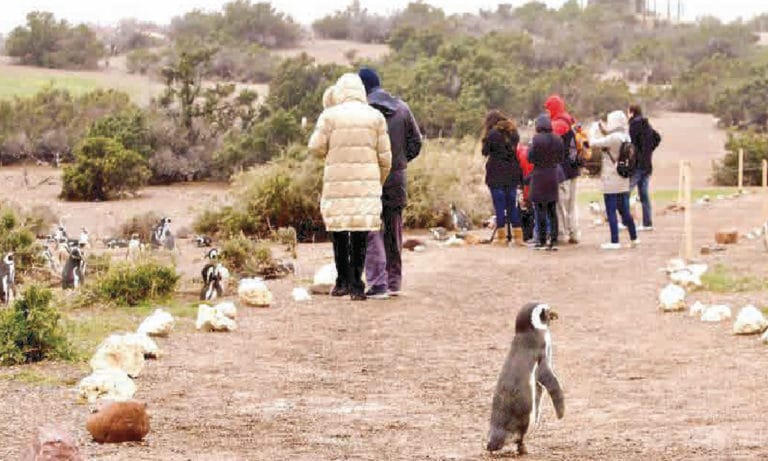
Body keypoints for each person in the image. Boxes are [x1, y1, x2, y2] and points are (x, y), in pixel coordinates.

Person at [308, 74, 392, 301]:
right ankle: (357, 285)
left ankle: (341, 282)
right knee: (360, 235)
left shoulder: (330, 116)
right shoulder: (375, 117)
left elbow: (315, 147)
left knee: (339, 232)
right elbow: (385, 158)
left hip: (336, 183)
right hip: (367, 184)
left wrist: (331, 153)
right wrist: (378, 181)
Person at [358, 67, 423, 300]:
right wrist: (401, 161)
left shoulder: (361, 112)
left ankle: (377, 282)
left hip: (369, 176)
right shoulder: (402, 108)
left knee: (370, 228)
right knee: (394, 229)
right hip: (396, 176)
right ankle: (394, 282)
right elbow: (416, 142)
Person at [589, 110, 639, 250]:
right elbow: (609, 137)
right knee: (624, 210)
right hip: (623, 178)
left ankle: (614, 241)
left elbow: (593, 143)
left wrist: (593, 129)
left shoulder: (613, 138)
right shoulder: (626, 137)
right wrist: (602, 129)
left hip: (611, 178)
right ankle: (634, 237)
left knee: (610, 210)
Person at [481, 110, 524, 246]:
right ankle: (518, 238)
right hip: (512, 172)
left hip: (496, 173)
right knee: (512, 205)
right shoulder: (513, 132)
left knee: (499, 205)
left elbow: (485, 151)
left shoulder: (492, 134)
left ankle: (502, 237)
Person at [545, 95, 581, 244]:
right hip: (573, 168)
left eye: (548, 108)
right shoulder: (569, 120)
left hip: (562, 171)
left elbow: (549, 144)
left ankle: (560, 234)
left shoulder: (557, 124)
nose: (547, 112)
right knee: (572, 204)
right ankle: (574, 233)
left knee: (560, 204)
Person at [528, 114, 564, 251]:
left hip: (538, 176)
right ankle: (553, 240)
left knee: (540, 209)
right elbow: (561, 157)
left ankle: (541, 240)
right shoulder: (557, 139)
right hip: (553, 175)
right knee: (552, 210)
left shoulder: (536, 139)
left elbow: (530, 157)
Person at [628, 104, 658, 231]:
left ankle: (626, 221)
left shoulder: (634, 125)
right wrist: (648, 151)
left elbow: (631, 143)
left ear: (632, 112)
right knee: (644, 195)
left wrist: (636, 153)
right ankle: (647, 223)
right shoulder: (647, 125)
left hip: (637, 164)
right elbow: (657, 138)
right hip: (647, 164)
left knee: (625, 191)